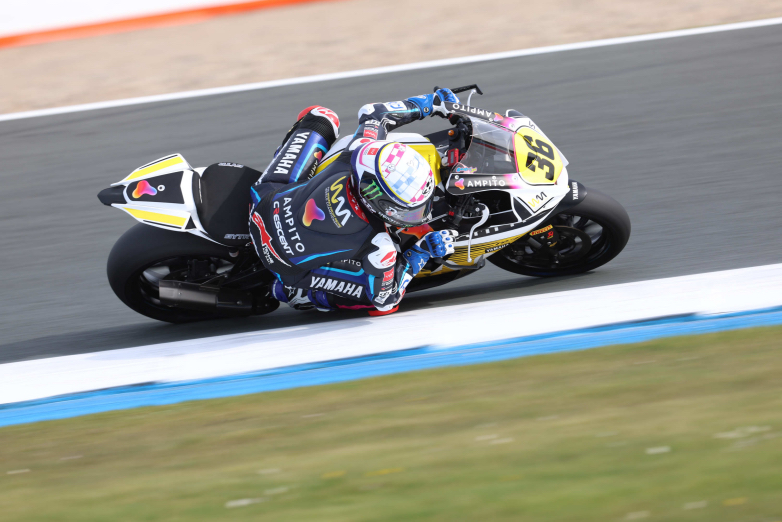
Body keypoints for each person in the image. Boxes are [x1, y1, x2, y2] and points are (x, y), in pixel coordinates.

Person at [248, 89, 460, 315]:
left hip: (263, 201)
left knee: (321, 116)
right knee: (377, 300)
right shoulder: (380, 244)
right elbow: (385, 299)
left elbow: (374, 113)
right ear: (382, 205)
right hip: (284, 267)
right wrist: (421, 252)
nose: (419, 212)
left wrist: (430, 103)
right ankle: (299, 293)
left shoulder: (357, 150)